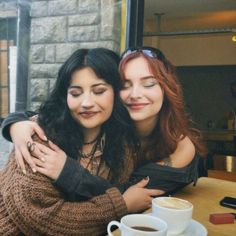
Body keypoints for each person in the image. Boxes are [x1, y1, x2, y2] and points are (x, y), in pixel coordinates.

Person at [1, 47, 205, 199]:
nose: (135, 94)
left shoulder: (179, 144)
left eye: (149, 84)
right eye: (125, 85)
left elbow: (127, 197)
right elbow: (50, 113)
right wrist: (16, 124)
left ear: (167, 89)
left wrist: (67, 171)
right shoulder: (111, 125)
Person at [0, 48, 163, 235]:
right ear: (65, 96)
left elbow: (112, 191)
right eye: (76, 93)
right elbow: (40, 217)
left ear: (117, 93)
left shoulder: (121, 144)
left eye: (99, 91)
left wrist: (70, 173)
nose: (86, 102)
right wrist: (120, 205)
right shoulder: (40, 137)